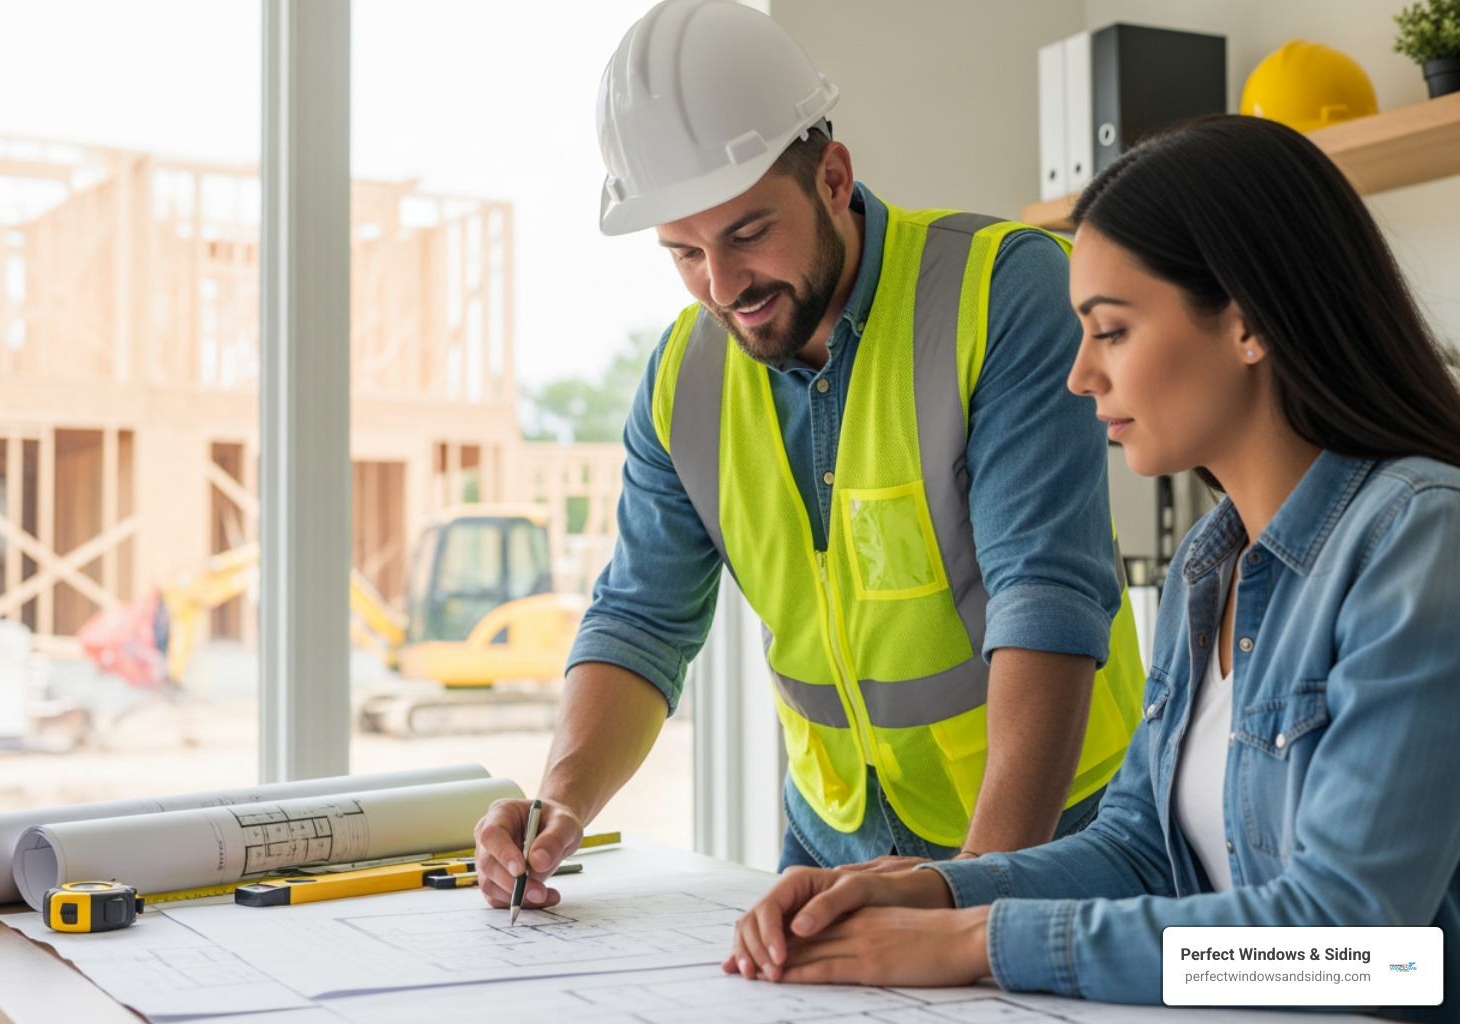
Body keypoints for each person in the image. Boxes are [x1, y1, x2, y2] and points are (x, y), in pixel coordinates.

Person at [723, 113, 1460, 1024]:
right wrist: (934, 890)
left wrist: (973, 943)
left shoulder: (1419, 542)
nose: (1079, 376)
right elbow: (1143, 849)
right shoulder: (1209, 563)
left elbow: (1362, 953)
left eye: (1110, 331)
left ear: (1248, 324)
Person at [473, 0, 1145, 910]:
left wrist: (965, 898)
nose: (722, 287)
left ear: (833, 177)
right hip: (828, 851)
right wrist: (559, 802)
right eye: (683, 254)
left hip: (1056, 843)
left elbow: (1047, 604)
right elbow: (641, 621)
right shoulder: (684, 379)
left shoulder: (1004, 292)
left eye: (748, 233)